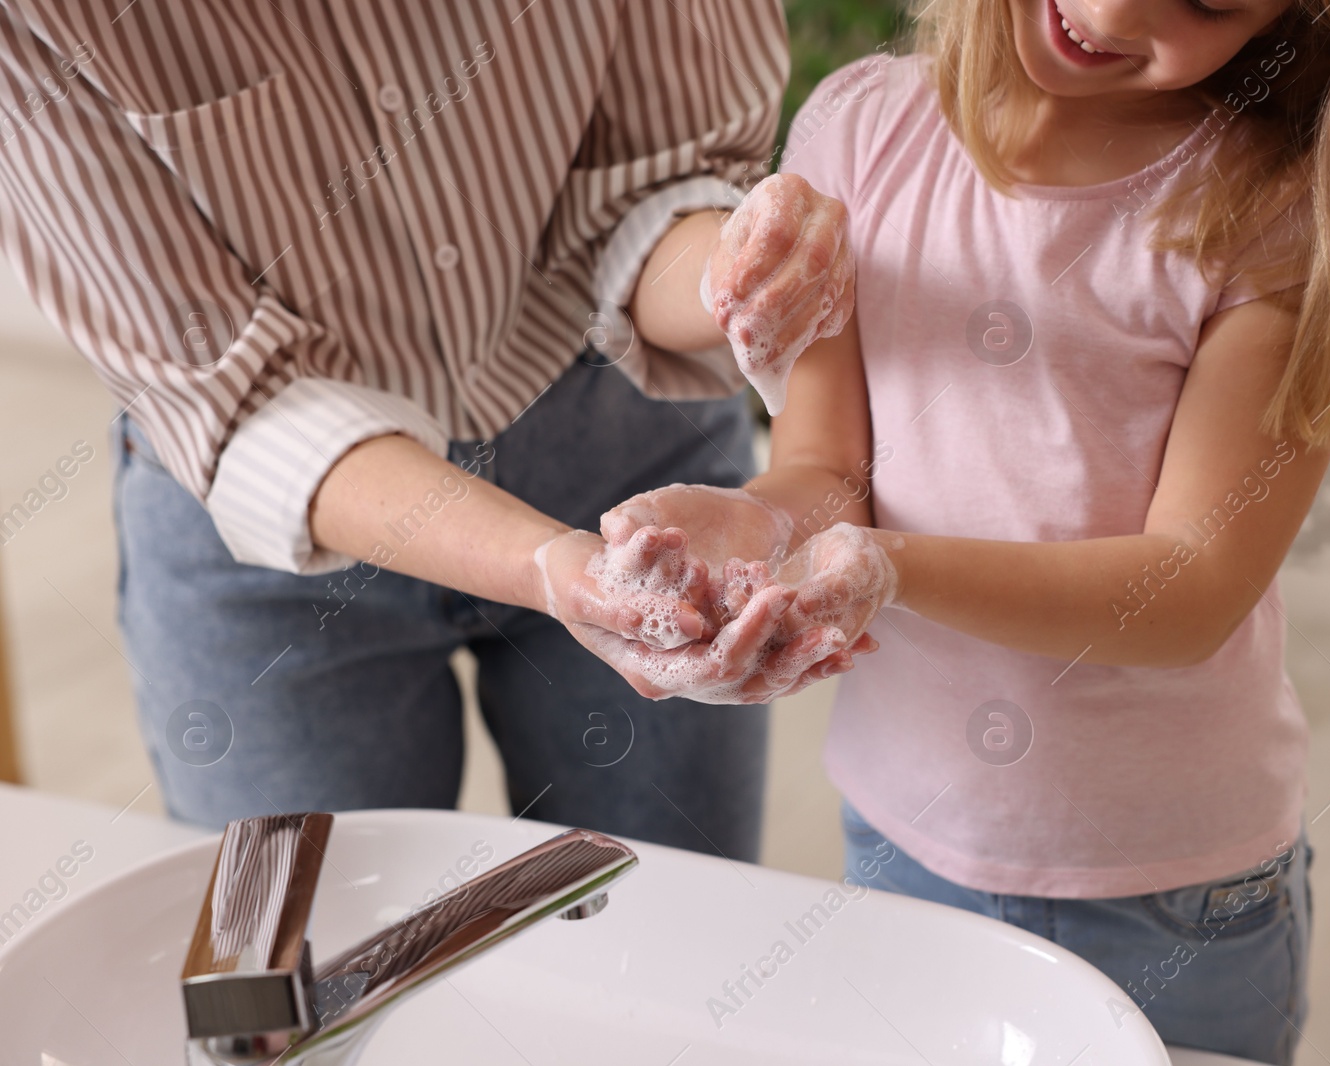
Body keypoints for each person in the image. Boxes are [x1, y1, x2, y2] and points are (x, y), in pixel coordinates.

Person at [595, 0, 1330, 1061]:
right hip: (902, 837)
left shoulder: (1272, 213)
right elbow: (826, 474)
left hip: (1168, 887)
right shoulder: (859, 133)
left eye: (1205, 2)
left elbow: (1187, 591)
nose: (1112, 10)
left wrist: (887, 568)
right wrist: (757, 521)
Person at [0, 1, 856, 859]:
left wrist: (736, 272)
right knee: (322, 969)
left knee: (673, 935)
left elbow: (658, 181)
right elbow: (234, 393)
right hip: (262, 534)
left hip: (622, 443)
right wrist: (546, 566)